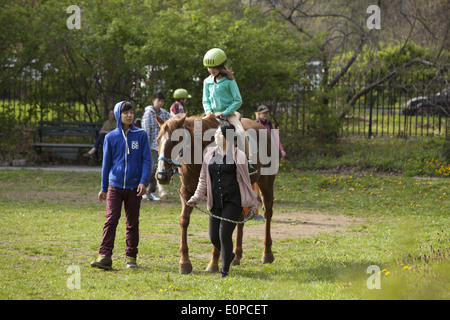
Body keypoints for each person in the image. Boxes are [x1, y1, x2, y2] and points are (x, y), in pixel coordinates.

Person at [186, 124, 258, 278]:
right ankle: (229, 255)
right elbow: (203, 180)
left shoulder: (239, 156)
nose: (216, 136)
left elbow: (246, 181)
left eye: (219, 134)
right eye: (216, 133)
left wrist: (252, 203)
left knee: (224, 234)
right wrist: (196, 197)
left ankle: (224, 270)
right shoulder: (209, 155)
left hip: (233, 200)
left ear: (229, 138)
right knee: (213, 236)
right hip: (216, 201)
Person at [90, 101, 152, 270]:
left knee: (132, 223)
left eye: (131, 112)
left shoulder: (141, 135)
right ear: (119, 115)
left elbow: (147, 160)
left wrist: (143, 181)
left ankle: (131, 257)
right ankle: (104, 256)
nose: (129, 115)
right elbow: (106, 164)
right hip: (114, 187)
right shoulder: (110, 137)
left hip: (134, 187)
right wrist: (103, 188)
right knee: (111, 220)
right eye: (125, 113)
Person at [202, 48, 256, 175]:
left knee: (241, 132)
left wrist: (224, 112)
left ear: (220, 66)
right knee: (196, 130)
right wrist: (208, 111)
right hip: (211, 115)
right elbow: (205, 100)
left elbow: (238, 100)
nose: (211, 70)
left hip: (228, 114)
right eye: (208, 68)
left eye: (213, 67)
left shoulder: (229, 81)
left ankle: (248, 162)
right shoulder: (207, 81)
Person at [141, 92, 171, 201]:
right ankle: (142, 187)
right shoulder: (148, 113)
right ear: (154, 101)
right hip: (151, 145)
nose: (161, 103)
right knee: (153, 168)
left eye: (162, 101)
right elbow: (146, 131)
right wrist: (145, 148)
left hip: (160, 146)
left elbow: (172, 119)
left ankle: (151, 192)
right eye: (159, 101)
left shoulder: (163, 113)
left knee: (157, 168)